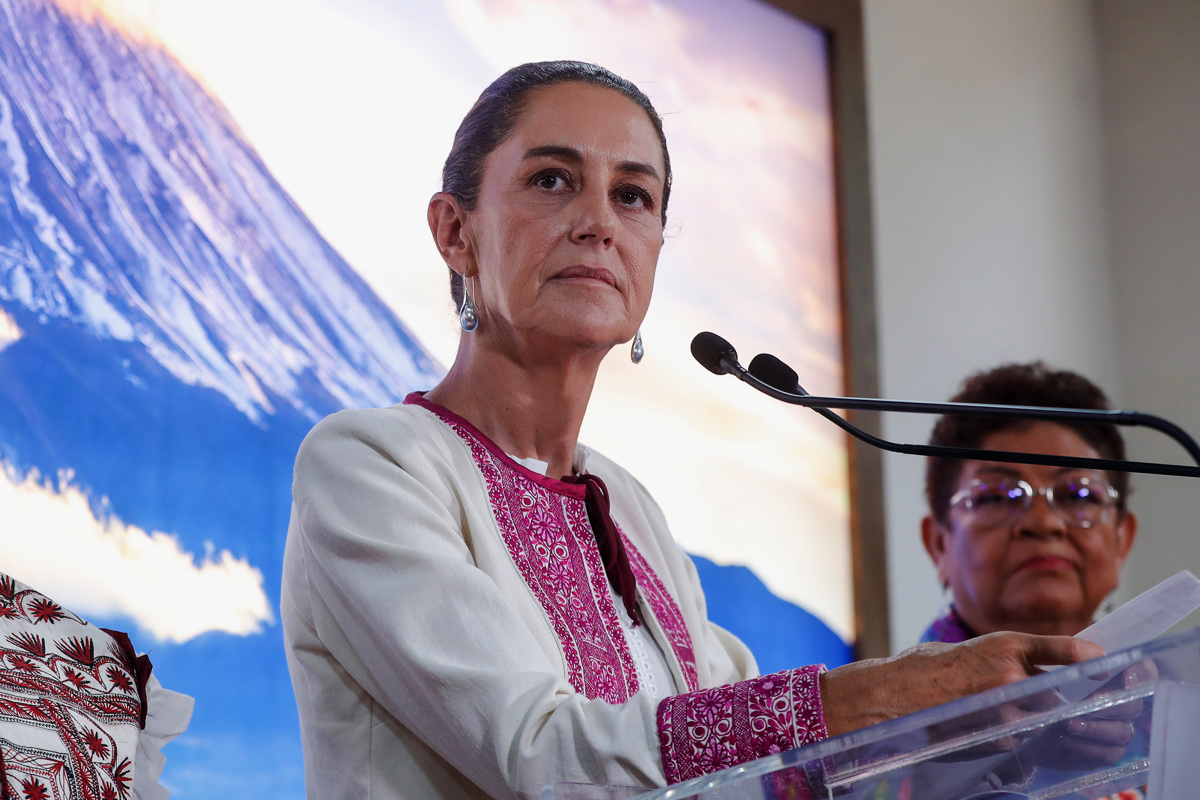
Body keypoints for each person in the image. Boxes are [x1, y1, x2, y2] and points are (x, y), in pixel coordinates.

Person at [281, 62, 1103, 800]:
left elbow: (777, 776)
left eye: (632, 196)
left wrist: (1004, 731)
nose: (598, 222)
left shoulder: (630, 510)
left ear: (654, 252)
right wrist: (899, 686)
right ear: (455, 232)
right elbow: (538, 754)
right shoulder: (372, 464)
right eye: (552, 180)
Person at [920, 362, 1139, 644]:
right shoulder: (887, 689)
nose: (1043, 522)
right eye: (997, 497)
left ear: (1122, 540)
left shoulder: (1180, 687)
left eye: (1078, 496)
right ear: (939, 543)